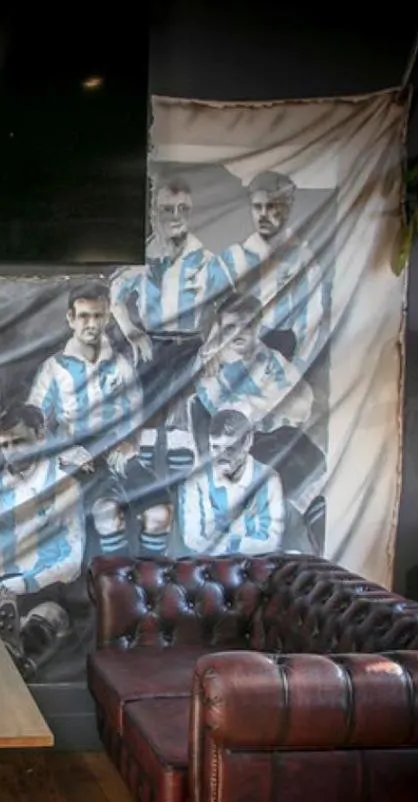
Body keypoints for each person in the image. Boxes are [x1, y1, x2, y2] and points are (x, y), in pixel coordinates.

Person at [27, 280, 173, 557]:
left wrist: (130, 443)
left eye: (97, 316)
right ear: (71, 318)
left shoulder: (119, 364)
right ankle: (117, 585)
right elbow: (34, 424)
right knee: (106, 513)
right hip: (79, 458)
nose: (91, 324)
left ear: (107, 317)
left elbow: (135, 413)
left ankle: (146, 583)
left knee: (159, 514)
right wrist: (64, 451)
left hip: (119, 452)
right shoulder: (54, 369)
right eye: (84, 316)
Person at [109, 174, 230, 483]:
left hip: (191, 346)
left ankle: (184, 487)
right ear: (154, 212)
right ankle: (147, 488)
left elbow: (227, 308)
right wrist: (133, 332)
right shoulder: (142, 257)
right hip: (153, 346)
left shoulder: (205, 260)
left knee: (184, 424)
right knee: (145, 423)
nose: (175, 217)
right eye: (167, 209)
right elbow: (115, 298)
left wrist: (212, 347)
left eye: (183, 209)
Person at [190, 293, 325, 550]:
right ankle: (280, 535)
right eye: (230, 327)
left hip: (274, 436)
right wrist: (268, 403)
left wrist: (260, 404)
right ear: (220, 328)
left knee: (310, 458)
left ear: (258, 326)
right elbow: (225, 412)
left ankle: (295, 528)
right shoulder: (213, 365)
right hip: (236, 443)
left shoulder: (270, 360)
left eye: (248, 325)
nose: (239, 333)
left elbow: (302, 403)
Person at [0, 404, 83, 680]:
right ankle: (11, 647)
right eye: (4, 445)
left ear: (40, 435)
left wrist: (26, 584)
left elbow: (73, 560)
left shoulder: (65, 486)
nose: (11, 451)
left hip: (44, 589)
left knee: (45, 619)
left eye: (19, 442)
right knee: (11, 622)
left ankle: (12, 646)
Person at [219, 170, 331, 370]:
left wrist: (298, 364)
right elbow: (219, 313)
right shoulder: (236, 257)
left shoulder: (302, 259)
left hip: (284, 348)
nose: (262, 214)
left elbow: (311, 317)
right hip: (240, 352)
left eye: (270, 207)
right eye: (257, 207)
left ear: (287, 208)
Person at [179, 409, 285, 555]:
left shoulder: (268, 479)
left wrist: (228, 545)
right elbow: (194, 538)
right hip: (209, 568)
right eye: (215, 447)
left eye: (230, 449)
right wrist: (240, 544)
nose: (221, 456)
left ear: (247, 442)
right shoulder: (196, 481)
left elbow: (271, 540)